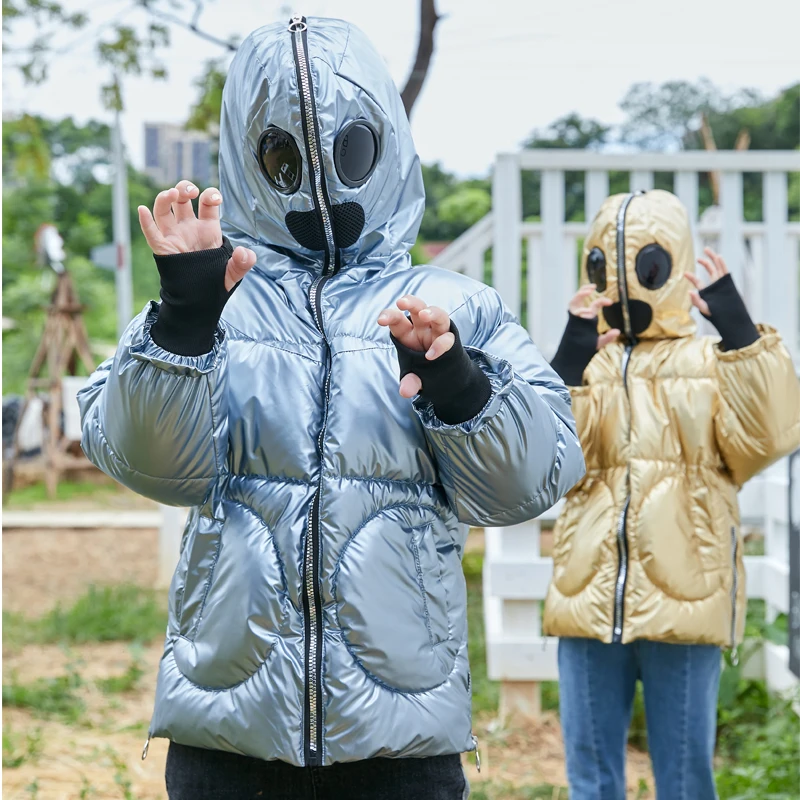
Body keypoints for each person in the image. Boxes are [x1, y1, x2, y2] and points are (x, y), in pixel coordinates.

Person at [78, 15, 586, 800]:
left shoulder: (456, 305)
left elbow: (531, 482)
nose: (321, 187)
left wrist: (459, 385)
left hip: (399, 737)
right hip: (231, 729)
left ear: (385, 140)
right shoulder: (218, 302)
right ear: (249, 159)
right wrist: (182, 325)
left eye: (349, 153)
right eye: (282, 157)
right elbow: (147, 467)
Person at [543, 188, 800, 800]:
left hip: (687, 600)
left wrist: (737, 331)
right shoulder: (594, 365)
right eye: (605, 265)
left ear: (673, 265)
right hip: (589, 596)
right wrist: (570, 362)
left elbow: (765, 438)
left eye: (645, 265)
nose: (625, 283)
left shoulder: (714, 363)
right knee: (590, 779)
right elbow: (548, 462)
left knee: (685, 780)